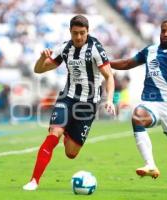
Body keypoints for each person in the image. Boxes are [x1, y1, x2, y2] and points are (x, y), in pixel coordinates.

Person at [23, 15, 115, 190]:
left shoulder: (95, 48)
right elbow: (38, 69)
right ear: (70, 32)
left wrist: (109, 100)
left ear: (88, 32)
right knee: (53, 134)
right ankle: (34, 180)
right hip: (68, 98)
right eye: (75, 33)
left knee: (71, 153)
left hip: (88, 104)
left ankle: (67, 133)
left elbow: (109, 76)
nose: (79, 37)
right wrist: (42, 58)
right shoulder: (65, 48)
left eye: (82, 33)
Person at [110, 17, 167, 179]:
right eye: (163, 31)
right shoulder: (149, 50)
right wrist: (105, 64)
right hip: (150, 103)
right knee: (137, 117)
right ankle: (150, 164)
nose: (165, 34)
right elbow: (128, 63)